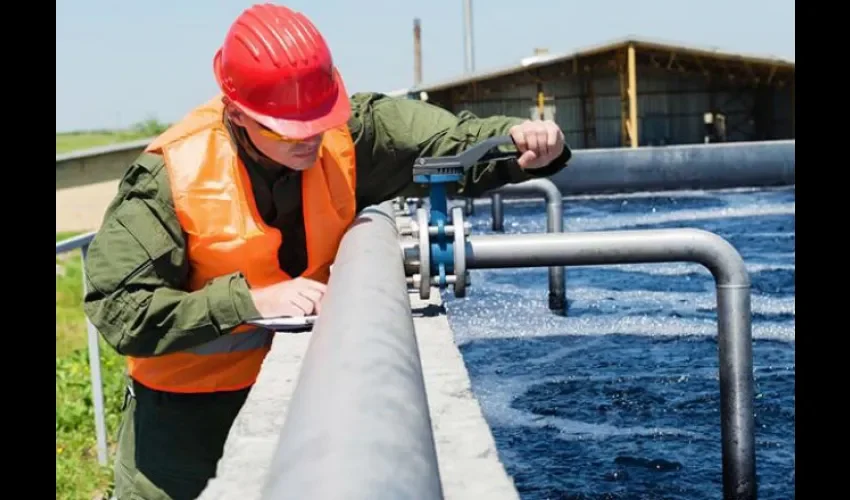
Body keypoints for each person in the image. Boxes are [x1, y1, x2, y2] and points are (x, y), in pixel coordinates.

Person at [82, 3, 571, 499]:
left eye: (319, 121)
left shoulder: (348, 131)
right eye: (289, 130)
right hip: (182, 437)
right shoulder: (169, 176)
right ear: (237, 114)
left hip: (312, 403)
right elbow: (119, 308)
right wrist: (249, 302)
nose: (309, 139)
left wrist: (517, 140)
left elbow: (446, 142)